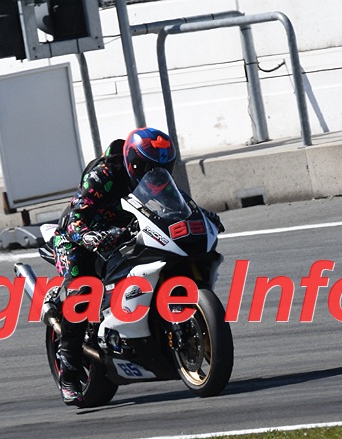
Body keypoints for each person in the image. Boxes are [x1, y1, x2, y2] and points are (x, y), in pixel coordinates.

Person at [49, 127, 221, 405]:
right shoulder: (103, 175)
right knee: (82, 289)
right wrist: (88, 235)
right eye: (147, 167)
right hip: (78, 234)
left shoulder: (155, 178)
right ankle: (69, 370)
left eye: (162, 168)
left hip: (121, 227)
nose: (155, 174)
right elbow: (76, 215)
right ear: (132, 161)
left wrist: (203, 216)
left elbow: (175, 203)